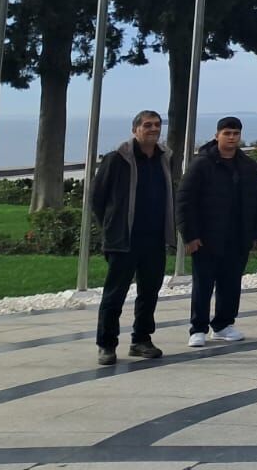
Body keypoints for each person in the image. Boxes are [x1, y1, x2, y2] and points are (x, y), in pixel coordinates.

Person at [91, 110, 174, 364]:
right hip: (123, 239)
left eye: (157, 125)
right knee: (115, 294)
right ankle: (106, 344)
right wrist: (112, 225)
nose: (153, 129)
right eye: (147, 125)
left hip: (154, 239)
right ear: (135, 129)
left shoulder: (164, 158)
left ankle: (141, 339)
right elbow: (98, 198)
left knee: (149, 292)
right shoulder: (117, 159)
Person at [177, 116, 257, 348]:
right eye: (227, 133)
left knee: (231, 283)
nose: (232, 138)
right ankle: (198, 328)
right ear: (217, 135)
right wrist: (190, 235)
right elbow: (185, 201)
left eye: (236, 133)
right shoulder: (202, 164)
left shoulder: (248, 166)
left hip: (238, 237)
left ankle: (223, 324)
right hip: (206, 237)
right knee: (203, 284)